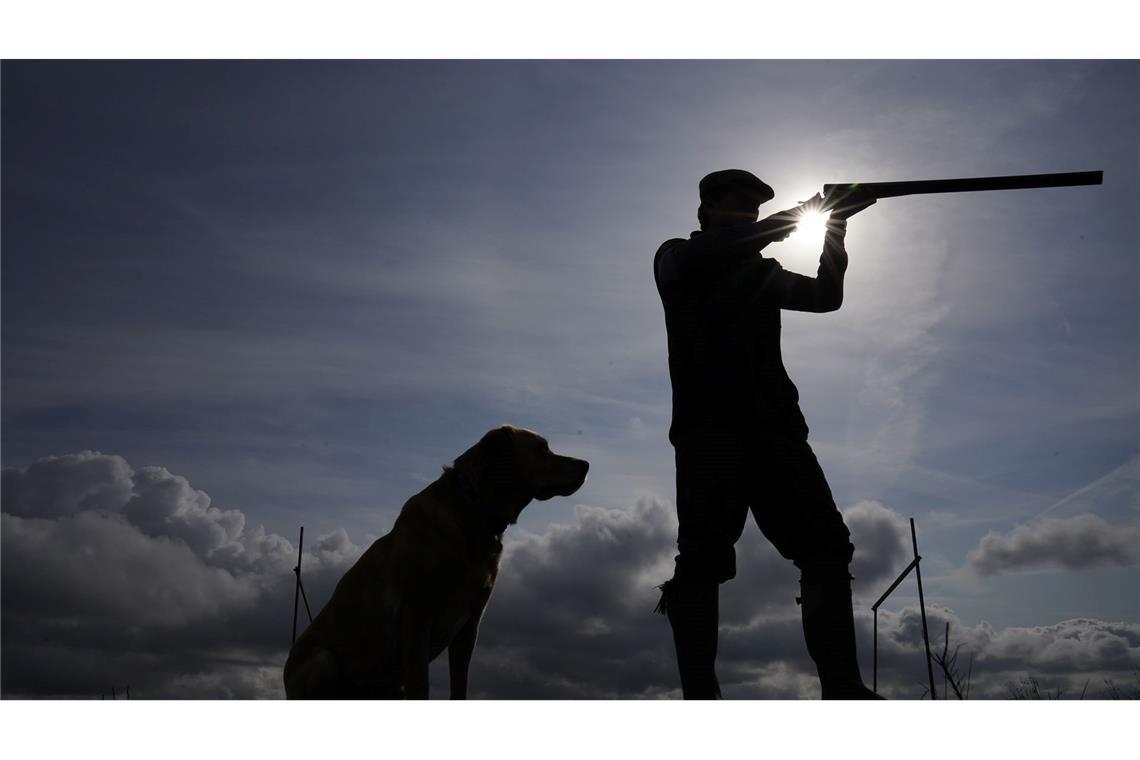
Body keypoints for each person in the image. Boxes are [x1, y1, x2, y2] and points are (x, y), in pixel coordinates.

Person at [652, 169, 881, 699]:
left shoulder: (759, 272)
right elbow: (714, 255)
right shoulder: (675, 258)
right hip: (710, 431)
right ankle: (701, 699)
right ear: (706, 212)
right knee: (703, 560)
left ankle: (843, 690)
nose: (746, 218)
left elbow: (826, 297)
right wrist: (802, 213)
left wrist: (834, 229)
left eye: (751, 211)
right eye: (736, 209)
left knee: (826, 547)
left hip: (777, 430)